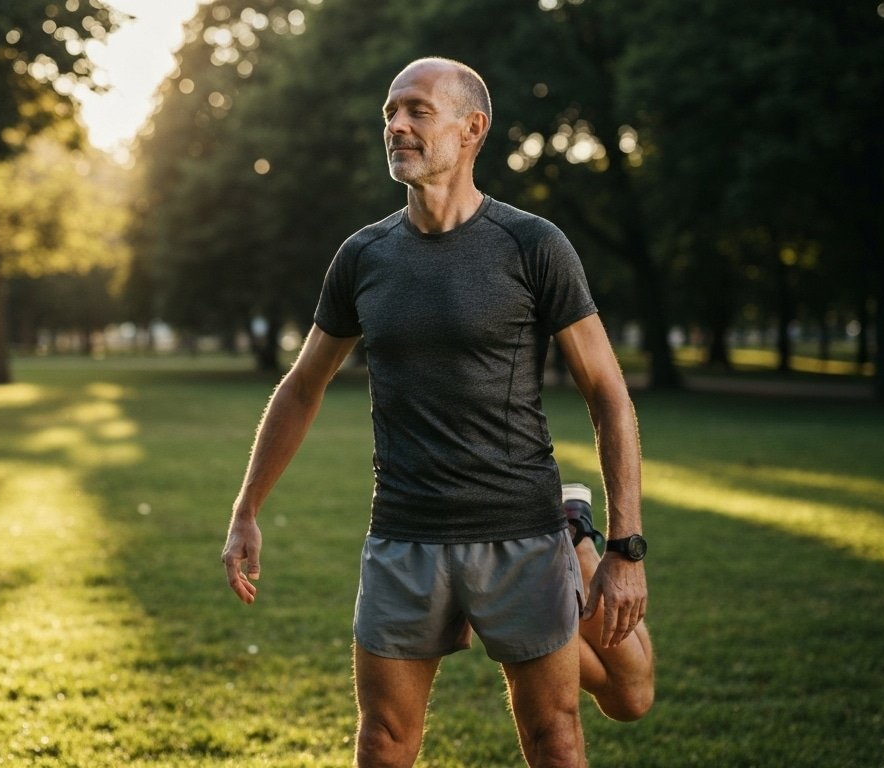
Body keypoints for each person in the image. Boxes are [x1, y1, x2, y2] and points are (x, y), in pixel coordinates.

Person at [220, 57, 654, 767]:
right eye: (389, 112)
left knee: (560, 731)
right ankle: (572, 537)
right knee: (383, 740)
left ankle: (576, 531)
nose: (395, 125)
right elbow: (302, 385)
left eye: (417, 110)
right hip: (404, 536)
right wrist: (246, 509)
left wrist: (626, 548)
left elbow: (608, 392)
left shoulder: (533, 245)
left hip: (519, 532)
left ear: (471, 127)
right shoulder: (363, 256)